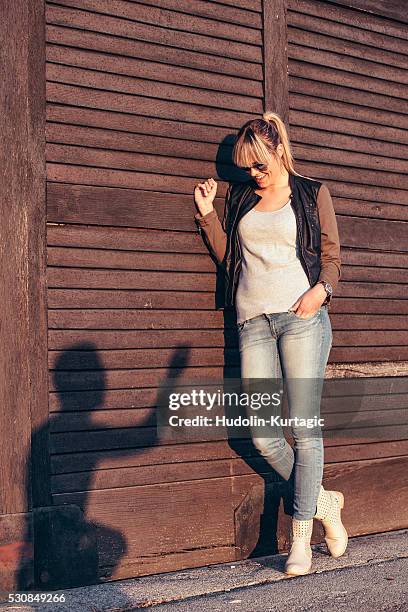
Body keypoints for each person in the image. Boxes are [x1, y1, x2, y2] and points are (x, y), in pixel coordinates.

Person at [193, 111, 348, 576]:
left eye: (259, 166)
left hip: (301, 317)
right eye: (247, 169)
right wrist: (207, 217)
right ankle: (324, 501)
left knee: (303, 430)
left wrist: (322, 290)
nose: (253, 175)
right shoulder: (240, 199)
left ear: (278, 151)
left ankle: (300, 539)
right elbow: (231, 260)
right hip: (252, 322)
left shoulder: (311, 192)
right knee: (263, 433)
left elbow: (333, 254)